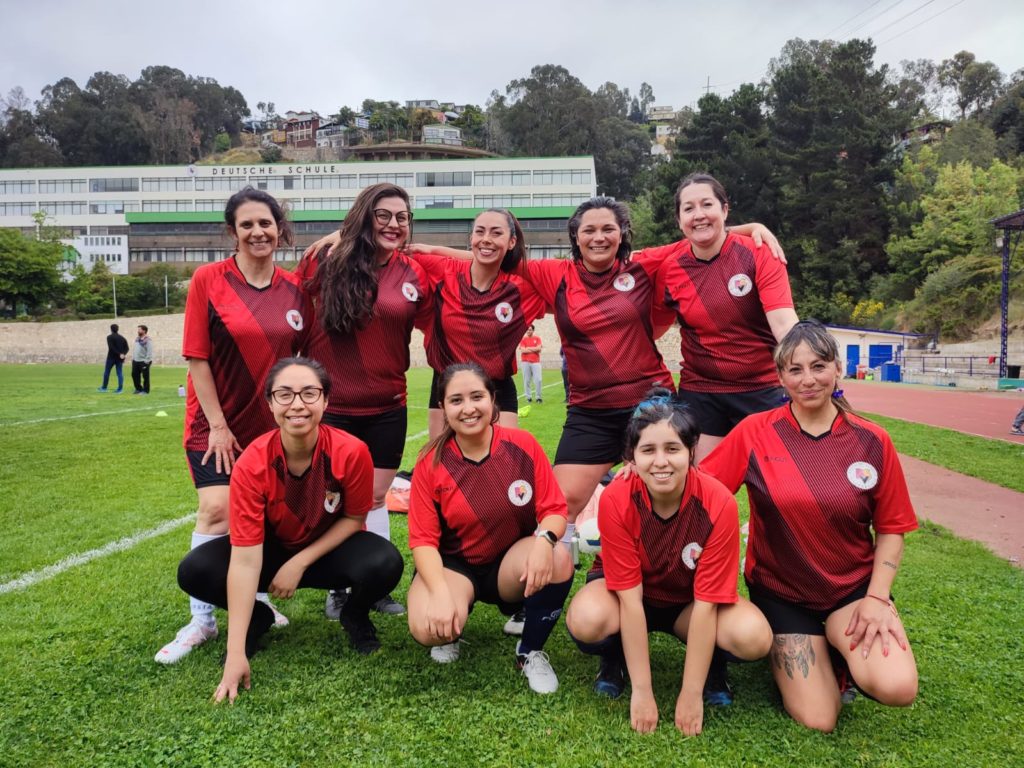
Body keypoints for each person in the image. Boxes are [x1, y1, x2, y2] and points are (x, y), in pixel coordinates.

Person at [700, 320, 919, 732]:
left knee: (897, 687)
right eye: (795, 370)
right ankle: (816, 658)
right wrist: (644, 470)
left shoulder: (872, 440)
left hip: (852, 592)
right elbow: (701, 489)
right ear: (780, 377)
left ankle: (839, 650)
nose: (808, 379)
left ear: (837, 369)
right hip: (783, 593)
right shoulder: (755, 432)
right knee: (819, 718)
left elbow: (892, 529)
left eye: (818, 366)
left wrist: (877, 598)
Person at [178, 358, 404, 703]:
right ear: (270, 404)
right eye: (284, 394)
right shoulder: (252, 462)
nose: (297, 404)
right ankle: (257, 619)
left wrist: (299, 562)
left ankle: (354, 614)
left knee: (385, 561)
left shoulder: (352, 451)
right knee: (195, 569)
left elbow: (354, 518)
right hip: (268, 553)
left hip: (326, 553)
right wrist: (235, 652)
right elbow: (245, 560)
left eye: (309, 393)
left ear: (325, 401)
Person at [156, 187, 310, 664]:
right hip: (215, 424)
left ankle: (255, 599)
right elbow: (197, 358)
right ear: (232, 231)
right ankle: (201, 619)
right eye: (247, 224)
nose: (257, 232)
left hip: (269, 428)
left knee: (258, 516)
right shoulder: (209, 279)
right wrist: (219, 426)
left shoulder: (295, 290)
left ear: (279, 229)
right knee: (216, 511)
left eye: (265, 223)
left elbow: (299, 361)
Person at [565, 390, 771, 736]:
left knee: (753, 636)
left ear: (692, 451)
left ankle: (711, 668)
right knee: (587, 618)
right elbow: (630, 599)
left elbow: (706, 603)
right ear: (631, 458)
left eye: (672, 449)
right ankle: (614, 657)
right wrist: (643, 692)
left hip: (687, 604)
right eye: (648, 450)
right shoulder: (617, 497)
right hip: (628, 599)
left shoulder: (719, 502)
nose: (661, 461)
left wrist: (690, 694)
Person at [296, 183, 432, 618]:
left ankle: (373, 586)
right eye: (383, 215)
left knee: (375, 498)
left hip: (388, 407)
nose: (394, 224)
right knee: (334, 499)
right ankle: (338, 586)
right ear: (363, 216)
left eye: (402, 217)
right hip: (332, 409)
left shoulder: (414, 272)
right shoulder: (324, 260)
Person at [406, 362, 574, 694]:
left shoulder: (522, 445)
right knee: (427, 628)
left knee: (559, 557)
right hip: (455, 566)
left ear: (492, 399)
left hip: (508, 566)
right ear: (443, 407)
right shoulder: (430, 462)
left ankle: (529, 651)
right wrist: (440, 593)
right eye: (456, 400)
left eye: (476, 397)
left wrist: (544, 541)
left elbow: (555, 510)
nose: (468, 408)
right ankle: (452, 626)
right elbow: (423, 540)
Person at [644, 173, 799, 462]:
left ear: (725, 210)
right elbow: (651, 329)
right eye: (688, 208)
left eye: (707, 204)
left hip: (762, 387)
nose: (698, 214)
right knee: (702, 481)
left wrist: (813, 364)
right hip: (701, 392)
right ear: (679, 220)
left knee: (775, 479)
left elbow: (784, 325)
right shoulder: (669, 266)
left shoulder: (759, 252)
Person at [98, 323, 129, 393]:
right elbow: (127, 348)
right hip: (120, 358)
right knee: (119, 373)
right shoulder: (122, 338)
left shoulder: (109, 337)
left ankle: (104, 388)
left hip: (111, 358)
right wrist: (123, 354)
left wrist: (119, 354)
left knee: (107, 372)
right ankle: (120, 389)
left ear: (111, 329)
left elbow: (111, 348)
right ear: (118, 329)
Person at [519, 323, 543, 403]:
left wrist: (528, 348)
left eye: (530, 330)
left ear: (533, 330)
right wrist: (534, 349)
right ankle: (528, 397)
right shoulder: (523, 339)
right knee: (526, 381)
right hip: (525, 362)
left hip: (536, 362)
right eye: (527, 330)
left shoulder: (537, 338)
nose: (528, 331)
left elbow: (539, 349)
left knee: (538, 380)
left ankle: (538, 397)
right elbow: (523, 350)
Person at [131, 324, 153, 394]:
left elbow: (149, 351)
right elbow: (135, 349)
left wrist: (147, 361)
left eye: (139, 330)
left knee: (145, 376)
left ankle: (145, 391)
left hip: (143, 361)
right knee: (134, 375)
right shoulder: (137, 339)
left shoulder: (148, 340)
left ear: (144, 331)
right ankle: (138, 389)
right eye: (138, 329)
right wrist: (133, 358)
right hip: (135, 361)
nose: (138, 331)